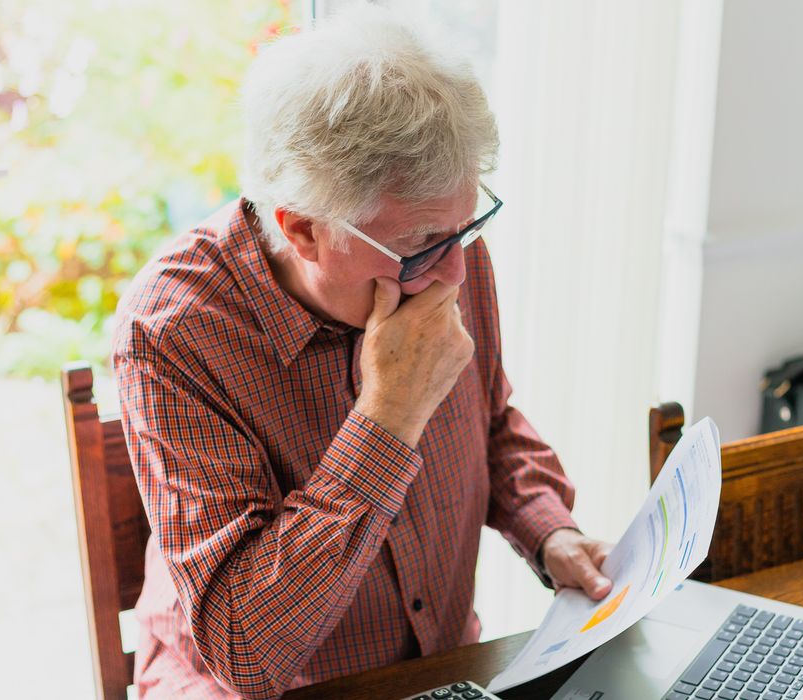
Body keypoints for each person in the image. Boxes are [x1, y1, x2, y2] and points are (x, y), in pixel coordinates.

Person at [113, 5, 611, 698]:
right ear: (304, 230)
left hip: (440, 673)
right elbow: (245, 651)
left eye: (465, 229)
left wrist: (548, 532)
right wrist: (388, 417)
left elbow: (491, 423)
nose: (455, 274)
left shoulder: (441, 246)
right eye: (421, 246)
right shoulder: (173, 332)